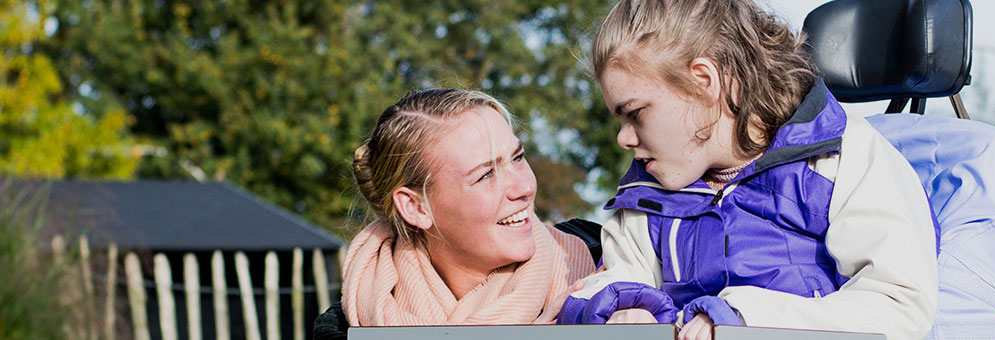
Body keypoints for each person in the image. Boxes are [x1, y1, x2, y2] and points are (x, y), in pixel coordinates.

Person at [556, 1, 940, 339]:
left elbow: (899, 307)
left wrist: (743, 320)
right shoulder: (645, 192)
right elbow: (617, 279)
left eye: (635, 113)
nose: (624, 138)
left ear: (703, 82)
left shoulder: (841, 156)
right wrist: (621, 312)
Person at [327, 88, 595, 334]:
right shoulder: (349, 326)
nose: (524, 187)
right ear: (416, 207)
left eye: (518, 157)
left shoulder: (611, 259)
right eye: (486, 174)